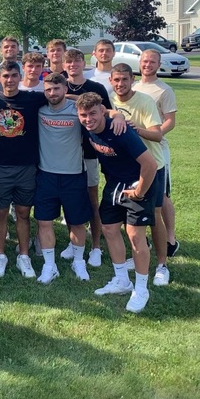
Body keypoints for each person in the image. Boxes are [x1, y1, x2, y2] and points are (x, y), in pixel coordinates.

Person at [34, 73, 122, 283]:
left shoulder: (78, 111)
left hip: (73, 175)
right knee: (44, 222)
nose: (52, 93)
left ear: (65, 89)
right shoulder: (39, 109)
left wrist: (117, 115)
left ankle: (79, 261)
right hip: (46, 174)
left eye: (57, 89)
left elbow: (102, 111)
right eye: (48, 89)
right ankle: (49, 266)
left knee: (77, 223)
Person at [76, 92, 157, 313]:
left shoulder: (120, 131)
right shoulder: (88, 127)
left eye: (93, 113)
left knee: (135, 236)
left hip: (139, 182)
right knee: (109, 229)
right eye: (83, 115)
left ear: (102, 111)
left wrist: (139, 192)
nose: (88, 119)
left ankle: (141, 289)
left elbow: (150, 164)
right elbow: (71, 98)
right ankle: (122, 280)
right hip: (115, 184)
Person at [109, 63, 170, 287]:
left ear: (132, 80)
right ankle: (138, 253)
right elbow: (95, 106)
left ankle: (162, 265)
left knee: (154, 215)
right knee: (130, 218)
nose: (120, 84)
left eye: (124, 79)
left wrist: (136, 130)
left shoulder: (144, 101)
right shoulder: (110, 99)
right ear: (110, 81)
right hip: (126, 168)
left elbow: (157, 135)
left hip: (152, 164)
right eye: (116, 80)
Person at [0, 60, 46, 279]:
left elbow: (59, 96)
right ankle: (0, 255)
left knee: (23, 213)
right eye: (5, 76)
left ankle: (24, 255)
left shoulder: (33, 99)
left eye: (14, 75)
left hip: (26, 167)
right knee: (0, 213)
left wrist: (109, 111)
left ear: (20, 77)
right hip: (0, 166)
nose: (10, 80)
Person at [60, 48, 111, 266]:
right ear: (64, 65)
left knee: (91, 198)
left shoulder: (96, 87)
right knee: (70, 200)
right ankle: (73, 243)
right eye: (69, 62)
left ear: (84, 63)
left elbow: (108, 113)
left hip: (89, 151)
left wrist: (74, 98)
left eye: (77, 61)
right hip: (66, 153)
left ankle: (96, 246)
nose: (73, 65)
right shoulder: (59, 86)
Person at [134, 48, 180, 258]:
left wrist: (155, 133)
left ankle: (170, 239)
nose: (148, 65)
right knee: (139, 190)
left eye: (152, 62)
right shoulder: (133, 86)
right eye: (145, 61)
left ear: (158, 65)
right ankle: (142, 237)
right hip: (136, 149)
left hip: (157, 149)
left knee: (161, 195)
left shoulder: (164, 90)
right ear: (140, 62)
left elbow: (170, 120)